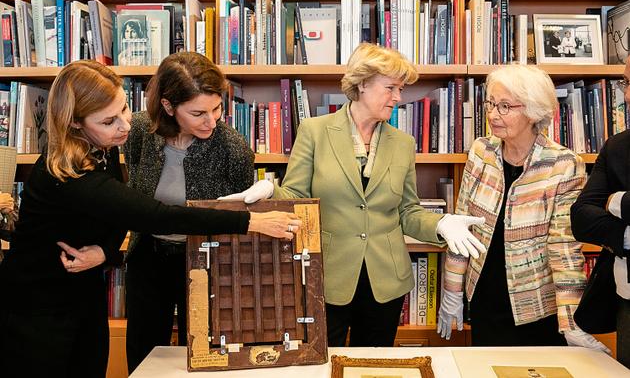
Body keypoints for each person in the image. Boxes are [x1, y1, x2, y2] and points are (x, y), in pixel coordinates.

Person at [0, 60, 300, 378]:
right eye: (109, 120)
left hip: (83, 291)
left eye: (125, 109)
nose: (125, 126)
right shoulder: (70, 171)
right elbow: (148, 213)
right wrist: (249, 222)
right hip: (36, 306)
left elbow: (114, 208)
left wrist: (104, 249)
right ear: (75, 123)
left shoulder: (103, 145)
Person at [221, 43, 487, 347]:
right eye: (391, 88)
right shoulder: (314, 131)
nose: (398, 98)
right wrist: (270, 190)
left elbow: (408, 212)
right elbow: (296, 197)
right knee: (321, 360)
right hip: (327, 275)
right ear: (362, 84)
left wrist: (439, 225)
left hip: (386, 280)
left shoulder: (402, 143)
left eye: (400, 89)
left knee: (374, 365)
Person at [437, 65, 608, 351]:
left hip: (537, 307)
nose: (493, 114)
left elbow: (564, 248)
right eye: (491, 103)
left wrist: (570, 321)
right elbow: (460, 226)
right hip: (484, 297)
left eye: (505, 106)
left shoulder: (563, 164)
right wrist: (452, 291)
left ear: (533, 111)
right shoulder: (481, 151)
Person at [123, 52, 255, 373]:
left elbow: (240, 211)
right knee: (144, 352)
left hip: (206, 262)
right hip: (149, 257)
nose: (212, 121)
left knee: (200, 355)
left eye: (217, 108)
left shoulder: (233, 148)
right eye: (198, 113)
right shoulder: (139, 131)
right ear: (168, 107)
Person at [571, 56, 630, 367]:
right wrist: (627, 235)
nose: (627, 95)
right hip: (626, 299)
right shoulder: (618, 146)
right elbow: (581, 216)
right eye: (626, 83)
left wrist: (617, 201)